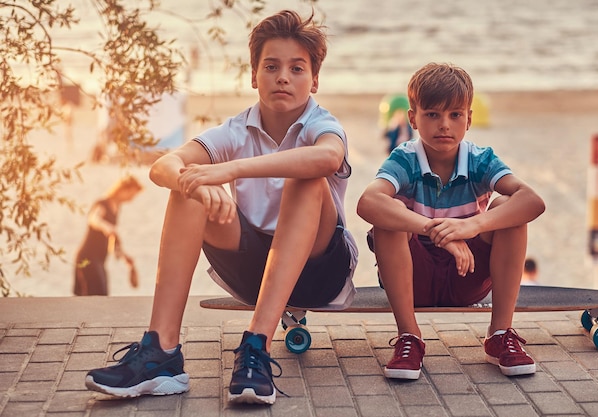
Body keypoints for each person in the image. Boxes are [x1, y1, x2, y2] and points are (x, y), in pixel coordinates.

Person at [84, 10, 358, 406]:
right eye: (271, 66)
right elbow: (163, 166)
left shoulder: (322, 125)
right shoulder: (235, 128)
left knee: (307, 178)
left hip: (319, 272)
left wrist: (228, 169)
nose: (283, 76)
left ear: (314, 80)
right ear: (253, 76)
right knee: (188, 185)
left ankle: (256, 348)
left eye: (297, 68)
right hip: (252, 271)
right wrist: (193, 182)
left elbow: (328, 159)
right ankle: (161, 354)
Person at [357, 62, 545, 380]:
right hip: (413, 280)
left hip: (467, 275)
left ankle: (500, 334)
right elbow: (367, 202)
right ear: (413, 118)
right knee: (388, 218)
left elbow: (533, 201)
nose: (445, 125)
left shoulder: (480, 160)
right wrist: (434, 228)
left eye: (455, 115)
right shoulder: (404, 158)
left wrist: (471, 226)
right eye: (433, 114)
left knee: (508, 207)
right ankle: (409, 338)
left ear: (468, 119)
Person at [74, 175, 142, 296]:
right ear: (122, 190)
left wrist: (124, 256)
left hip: (99, 260)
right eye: (131, 194)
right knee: (95, 297)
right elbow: (93, 219)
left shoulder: (117, 207)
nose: (132, 198)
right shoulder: (102, 203)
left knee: (101, 295)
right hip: (87, 258)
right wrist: (106, 227)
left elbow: (112, 240)